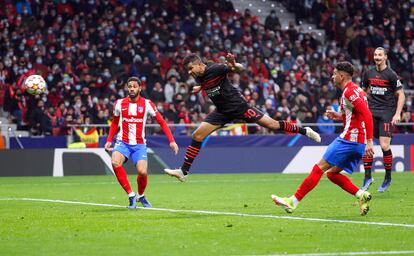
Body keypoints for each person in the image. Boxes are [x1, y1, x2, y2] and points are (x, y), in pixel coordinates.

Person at [164, 53, 321, 182]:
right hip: (222, 112)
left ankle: (304, 130)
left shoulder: (216, 68)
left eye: (191, 69)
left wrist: (233, 63)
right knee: (197, 135)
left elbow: (239, 69)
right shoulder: (199, 77)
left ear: (199, 64)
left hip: (239, 106)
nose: (190, 73)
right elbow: (210, 83)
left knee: (272, 125)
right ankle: (184, 172)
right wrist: (202, 87)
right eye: (188, 71)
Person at [271, 61, 374, 216]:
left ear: (341, 76)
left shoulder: (348, 92)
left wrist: (370, 141)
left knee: (318, 168)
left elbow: (367, 114)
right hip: (357, 142)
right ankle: (361, 195)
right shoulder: (357, 90)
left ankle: (293, 201)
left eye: (334, 74)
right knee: (332, 174)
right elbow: (356, 115)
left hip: (349, 139)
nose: (332, 77)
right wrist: (338, 116)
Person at [104, 77, 179, 208]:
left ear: (140, 88)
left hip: (139, 144)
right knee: (115, 162)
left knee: (142, 172)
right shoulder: (119, 103)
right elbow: (115, 122)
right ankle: (131, 195)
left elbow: (161, 121)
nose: (132, 88)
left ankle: (141, 195)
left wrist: (172, 141)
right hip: (123, 142)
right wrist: (109, 140)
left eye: (134, 86)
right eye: (129, 86)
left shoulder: (147, 104)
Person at [361, 47, 405, 192]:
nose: (377, 57)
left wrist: (397, 114)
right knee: (366, 143)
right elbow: (364, 91)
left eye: (380, 55)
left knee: (384, 145)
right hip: (370, 112)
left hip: (386, 112)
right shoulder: (368, 73)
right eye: (375, 55)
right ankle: (367, 177)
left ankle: (387, 177)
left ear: (385, 57)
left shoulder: (391, 75)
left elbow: (401, 95)